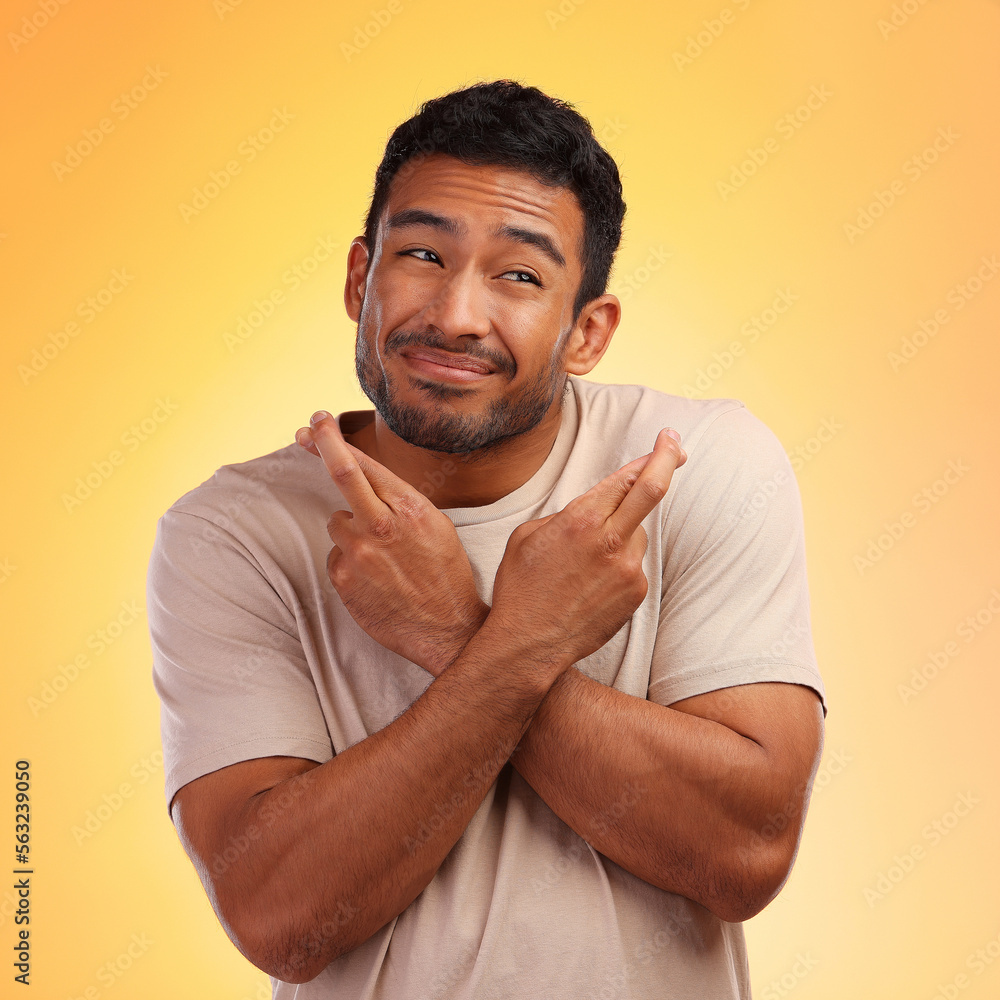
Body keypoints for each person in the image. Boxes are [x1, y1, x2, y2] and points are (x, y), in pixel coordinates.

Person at [148, 80, 826, 998]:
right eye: (422, 254)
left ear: (588, 330)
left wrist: (450, 627)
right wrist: (516, 644)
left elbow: (745, 855)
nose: (456, 315)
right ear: (360, 278)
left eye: (518, 275)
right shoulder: (233, 533)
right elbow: (281, 919)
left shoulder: (696, 465)